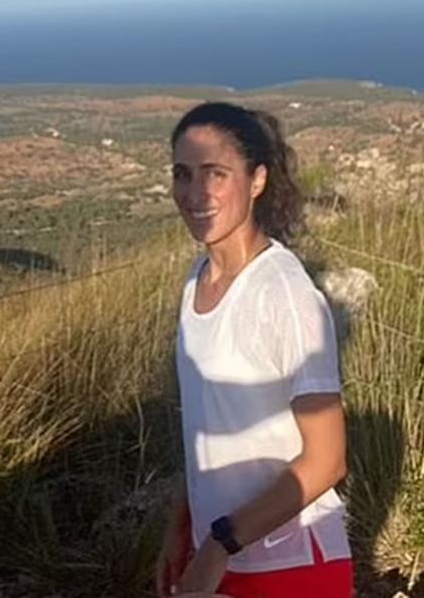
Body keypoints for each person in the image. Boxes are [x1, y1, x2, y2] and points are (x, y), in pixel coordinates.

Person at [157, 102, 352, 597]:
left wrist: (219, 545)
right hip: (221, 556)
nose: (195, 193)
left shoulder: (284, 295)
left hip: (290, 565)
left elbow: (327, 460)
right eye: (183, 174)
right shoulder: (194, 282)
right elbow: (206, 425)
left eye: (215, 174)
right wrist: (182, 529)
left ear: (257, 180)